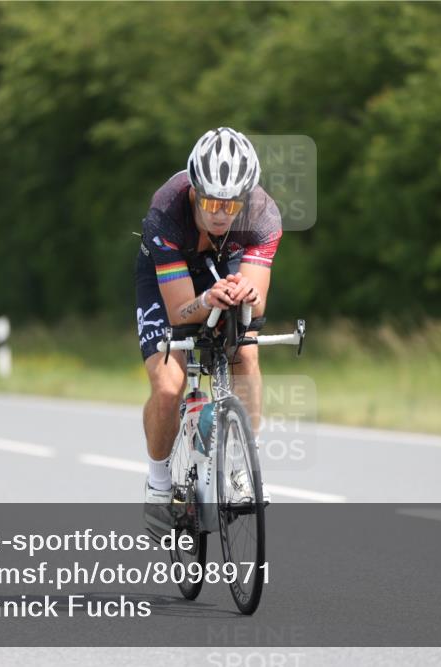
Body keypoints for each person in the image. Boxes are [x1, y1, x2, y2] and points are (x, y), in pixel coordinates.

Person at [135, 127, 281, 534]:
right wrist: (207, 301)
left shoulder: (264, 215)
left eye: (231, 203)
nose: (221, 212)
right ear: (195, 191)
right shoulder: (165, 213)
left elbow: (259, 302)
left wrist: (247, 295)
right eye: (212, 201)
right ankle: (159, 484)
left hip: (225, 264)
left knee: (246, 352)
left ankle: (239, 468)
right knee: (168, 386)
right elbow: (181, 311)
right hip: (170, 277)